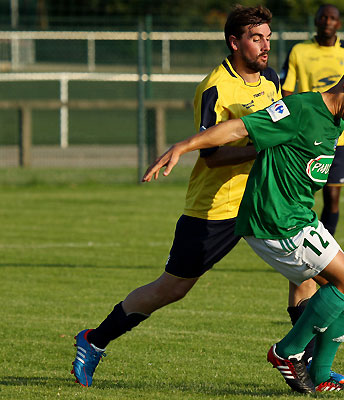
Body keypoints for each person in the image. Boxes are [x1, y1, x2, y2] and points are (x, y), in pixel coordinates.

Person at [143, 60, 344, 393]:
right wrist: (183, 146)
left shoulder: (336, 124)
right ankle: (287, 352)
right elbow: (240, 128)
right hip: (275, 220)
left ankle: (319, 374)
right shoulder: (301, 108)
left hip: (299, 217)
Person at [71, 5, 281, 387]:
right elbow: (212, 155)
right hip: (214, 209)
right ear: (235, 43)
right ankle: (94, 340)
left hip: (260, 201)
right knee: (172, 288)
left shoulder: (271, 79)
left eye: (268, 36)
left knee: (309, 269)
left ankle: (306, 363)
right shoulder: (216, 85)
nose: (266, 45)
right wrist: (263, 149)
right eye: (256, 38)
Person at [278, 3, 344, 370]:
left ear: (339, 25)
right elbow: (289, 93)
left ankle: (313, 364)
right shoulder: (299, 52)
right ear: (316, 22)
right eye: (323, 17)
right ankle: (293, 355)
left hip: (334, 137)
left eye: (333, 19)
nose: (328, 23)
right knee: (335, 278)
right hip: (304, 131)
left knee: (331, 195)